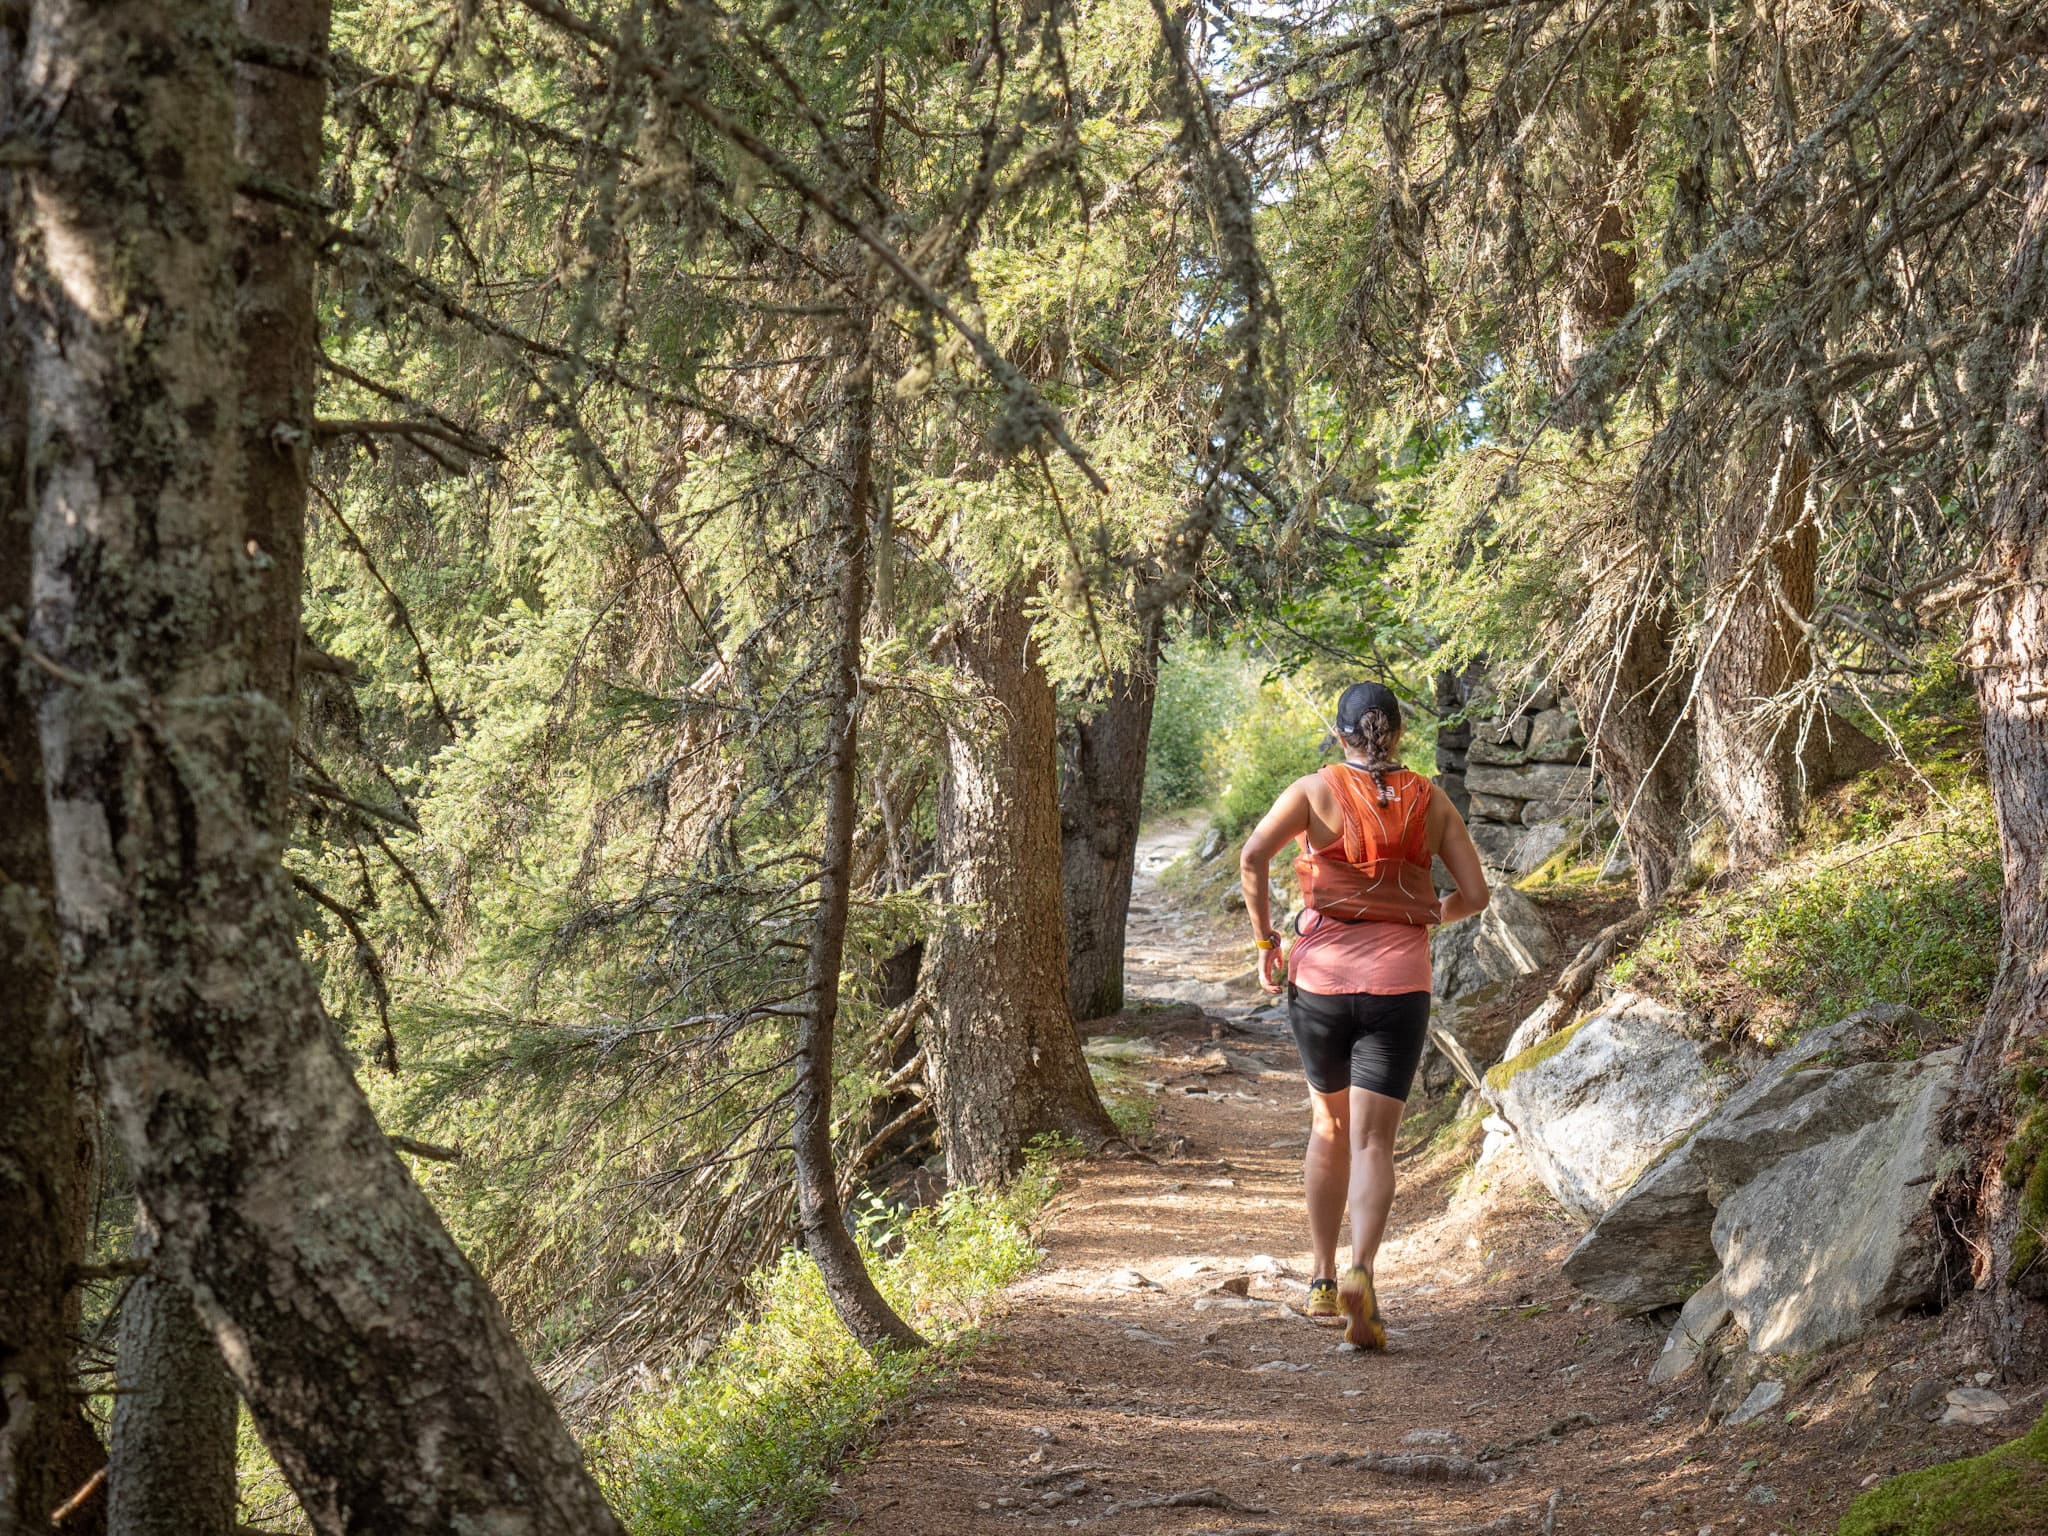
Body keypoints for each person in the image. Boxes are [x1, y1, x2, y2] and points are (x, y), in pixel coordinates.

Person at [1238, 681, 1489, 1349]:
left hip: (1320, 983)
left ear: (1343, 733)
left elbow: (1253, 856)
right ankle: (1361, 1273)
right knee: (1375, 1142)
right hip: (1399, 985)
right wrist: (1424, 915)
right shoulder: (1431, 800)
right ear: (1399, 733)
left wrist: (1267, 943)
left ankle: (1320, 1278)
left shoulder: (1313, 792)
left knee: (1328, 1125)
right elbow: (1476, 894)